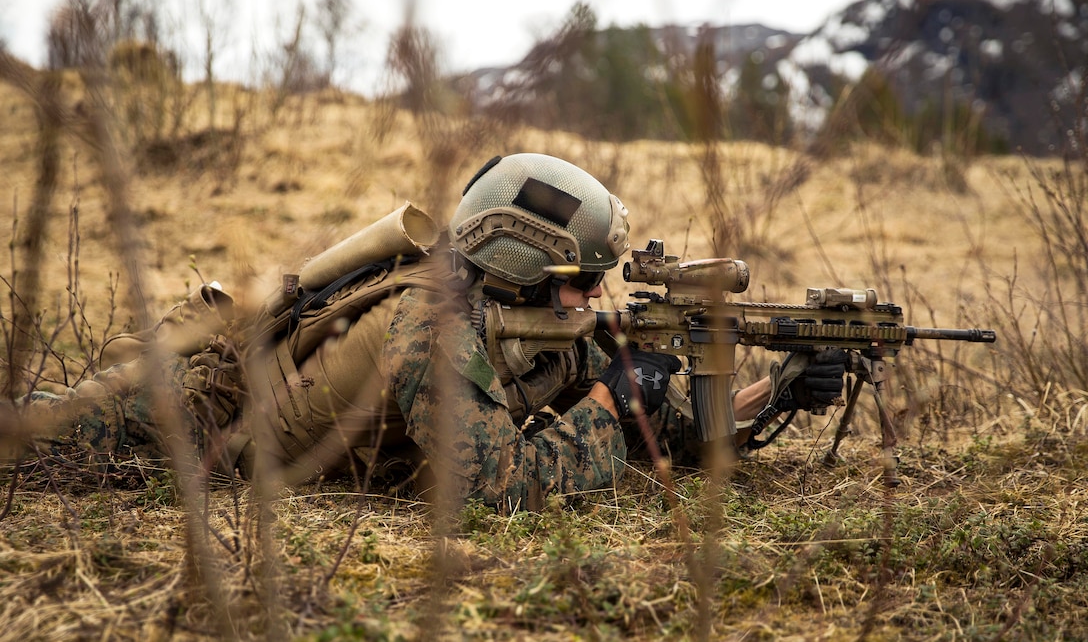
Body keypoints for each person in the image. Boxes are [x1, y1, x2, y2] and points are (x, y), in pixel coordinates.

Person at [4, 153, 845, 511]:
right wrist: (606, 402)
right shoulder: (434, 326)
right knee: (34, 433)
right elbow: (496, 488)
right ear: (518, 271)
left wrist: (765, 396)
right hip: (189, 420)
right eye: (580, 283)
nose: (596, 298)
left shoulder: (533, 322)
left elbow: (660, 433)